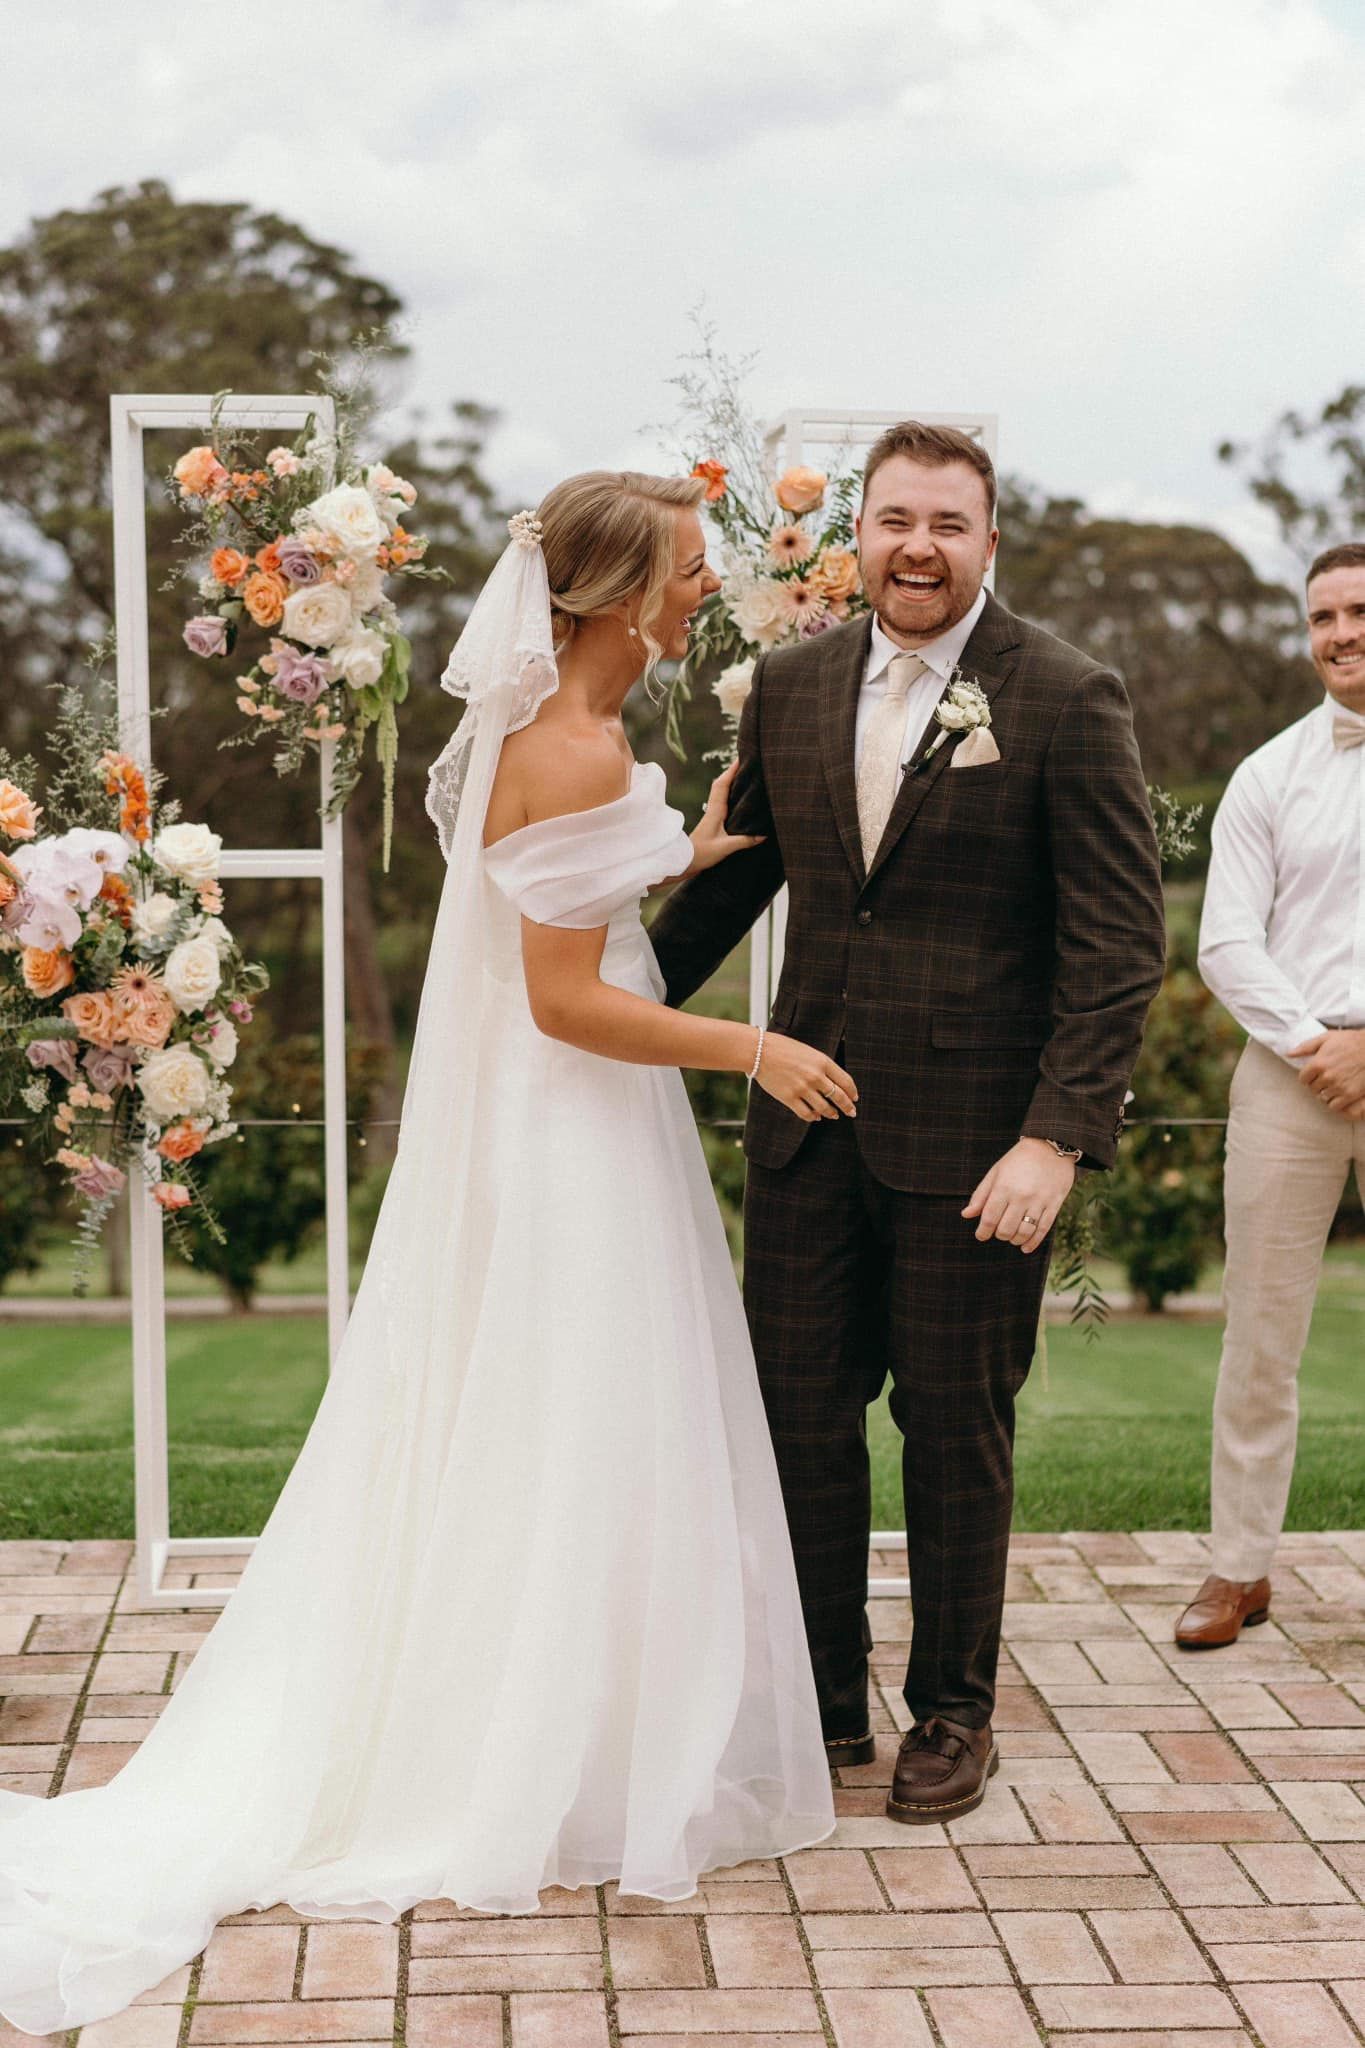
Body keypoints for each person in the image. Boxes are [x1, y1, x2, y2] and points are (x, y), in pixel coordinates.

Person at [0, 471, 841, 2036]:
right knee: (586, 1416)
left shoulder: (547, 745)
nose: (699, 595)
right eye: (684, 572)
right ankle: (548, 1753)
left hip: (553, 1133)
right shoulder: (580, 746)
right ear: (611, 594)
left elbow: (554, 898)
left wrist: (682, 854)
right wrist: (753, 1049)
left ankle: (551, 1719)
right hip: (584, 1129)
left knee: (535, 1415)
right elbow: (565, 1000)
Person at [649, 422, 1166, 1823]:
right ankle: (823, 1696)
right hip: (805, 1130)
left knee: (952, 1431)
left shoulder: (1062, 694)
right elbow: (728, 886)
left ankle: (953, 1712)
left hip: (979, 1151)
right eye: (893, 521)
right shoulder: (793, 687)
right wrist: (595, 995)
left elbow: (1116, 946)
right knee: (798, 1424)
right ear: (856, 537)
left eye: (947, 523)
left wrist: (1055, 1138)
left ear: (989, 541)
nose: (917, 547)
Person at [1176, 541, 1365, 1651]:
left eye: (1359, 609)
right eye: (1323, 616)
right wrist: (1319, 1044)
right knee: (1259, 1333)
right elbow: (1224, 942)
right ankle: (1239, 1568)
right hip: (1291, 1078)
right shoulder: (1267, 771)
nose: (1341, 632)